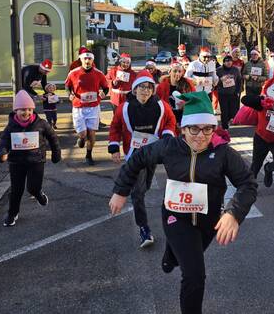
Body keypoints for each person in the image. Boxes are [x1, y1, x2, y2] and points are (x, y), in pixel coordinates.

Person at [109, 92, 257, 314]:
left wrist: (233, 213)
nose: (200, 136)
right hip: (175, 216)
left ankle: (171, 253)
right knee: (195, 276)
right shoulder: (170, 147)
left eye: (207, 129)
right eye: (193, 129)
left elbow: (248, 183)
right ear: (183, 129)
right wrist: (120, 191)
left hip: (208, 220)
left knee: (190, 255)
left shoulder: (223, 153)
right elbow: (137, 160)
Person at [108, 71, 176, 248]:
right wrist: (114, 146)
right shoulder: (124, 107)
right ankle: (144, 228)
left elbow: (170, 120)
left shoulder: (161, 106)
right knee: (137, 193)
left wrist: (167, 135)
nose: (145, 91)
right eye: (141, 87)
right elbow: (115, 126)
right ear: (135, 89)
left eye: (149, 87)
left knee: (144, 187)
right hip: (134, 156)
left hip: (154, 153)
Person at [0, 90, 61, 227]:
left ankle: (38, 194)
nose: (26, 113)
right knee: (16, 190)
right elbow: (3, 142)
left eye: (30, 109)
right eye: (22, 110)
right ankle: (12, 213)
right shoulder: (11, 126)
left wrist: (56, 153)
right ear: (16, 111)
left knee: (32, 187)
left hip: (36, 161)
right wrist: (1, 154)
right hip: (16, 162)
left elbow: (53, 138)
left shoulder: (41, 123)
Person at [242, 76, 274, 187]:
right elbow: (244, 100)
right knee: (256, 165)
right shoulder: (264, 102)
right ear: (272, 90)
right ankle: (249, 187)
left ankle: (268, 169)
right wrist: (260, 99)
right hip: (261, 137)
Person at [65, 49, 109, 165]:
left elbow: (105, 87)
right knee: (83, 134)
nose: (87, 61)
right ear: (81, 59)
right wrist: (69, 94)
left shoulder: (98, 73)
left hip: (93, 107)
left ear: (92, 60)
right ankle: (81, 138)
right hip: (79, 106)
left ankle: (89, 155)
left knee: (92, 133)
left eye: (89, 59)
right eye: (85, 58)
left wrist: (104, 93)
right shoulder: (73, 73)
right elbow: (67, 86)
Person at [156, 62, 196, 127]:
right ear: (170, 72)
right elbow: (157, 103)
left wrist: (186, 104)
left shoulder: (188, 85)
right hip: (167, 119)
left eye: (180, 71)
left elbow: (195, 100)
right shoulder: (162, 86)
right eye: (175, 71)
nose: (177, 73)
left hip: (184, 118)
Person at [215, 55, 242, 130]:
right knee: (224, 111)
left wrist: (238, 91)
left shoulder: (235, 70)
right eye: (226, 61)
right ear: (223, 62)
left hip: (233, 93)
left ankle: (229, 121)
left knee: (233, 110)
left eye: (230, 61)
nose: (229, 62)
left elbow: (239, 81)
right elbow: (215, 82)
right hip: (222, 93)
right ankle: (224, 126)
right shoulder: (218, 70)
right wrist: (222, 80)